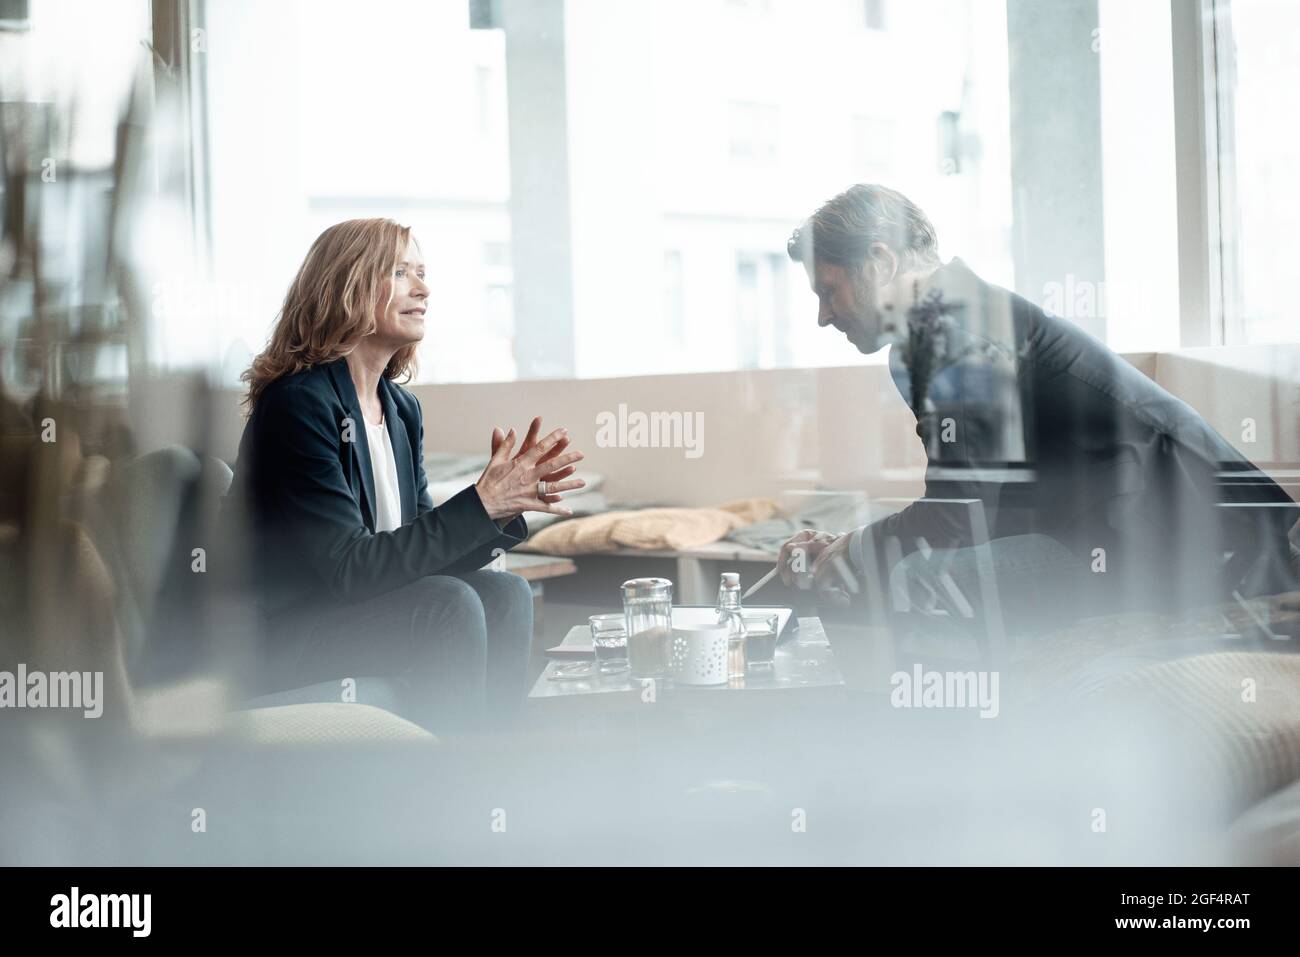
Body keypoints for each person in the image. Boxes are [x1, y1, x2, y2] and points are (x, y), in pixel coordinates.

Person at [778, 184, 1297, 640]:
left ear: (881, 262)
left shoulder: (960, 332)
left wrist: (851, 550)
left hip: (1216, 552)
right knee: (909, 568)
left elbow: (959, 516)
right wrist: (848, 549)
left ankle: (959, 743)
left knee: (921, 577)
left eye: (829, 289)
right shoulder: (936, 332)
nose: (824, 315)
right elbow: (974, 504)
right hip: (1120, 535)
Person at [224, 218, 585, 729]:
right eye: (399, 272)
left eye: (421, 271)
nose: (423, 288)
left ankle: (494, 768)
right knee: (448, 604)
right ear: (346, 286)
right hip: (286, 636)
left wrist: (499, 507)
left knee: (508, 592)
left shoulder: (400, 409)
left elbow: (419, 549)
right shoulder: (299, 404)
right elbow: (349, 569)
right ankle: (445, 789)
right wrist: (479, 503)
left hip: (354, 611)